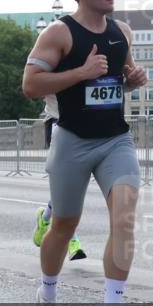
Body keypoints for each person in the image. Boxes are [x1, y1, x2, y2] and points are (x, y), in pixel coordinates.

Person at [22, 0, 147, 306]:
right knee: (63, 225)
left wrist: (132, 80)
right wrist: (80, 72)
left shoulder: (121, 31)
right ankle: (47, 294)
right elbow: (30, 85)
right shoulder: (59, 34)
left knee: (124, 220)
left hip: (115, 140)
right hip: (71, 140)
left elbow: (114, 82)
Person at [32, 92, 86, 260]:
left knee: (72, 185)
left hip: (82, 123)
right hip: (57, 121)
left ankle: (45, 217)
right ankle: (73, 241)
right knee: (65, 185)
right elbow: (33, 85)